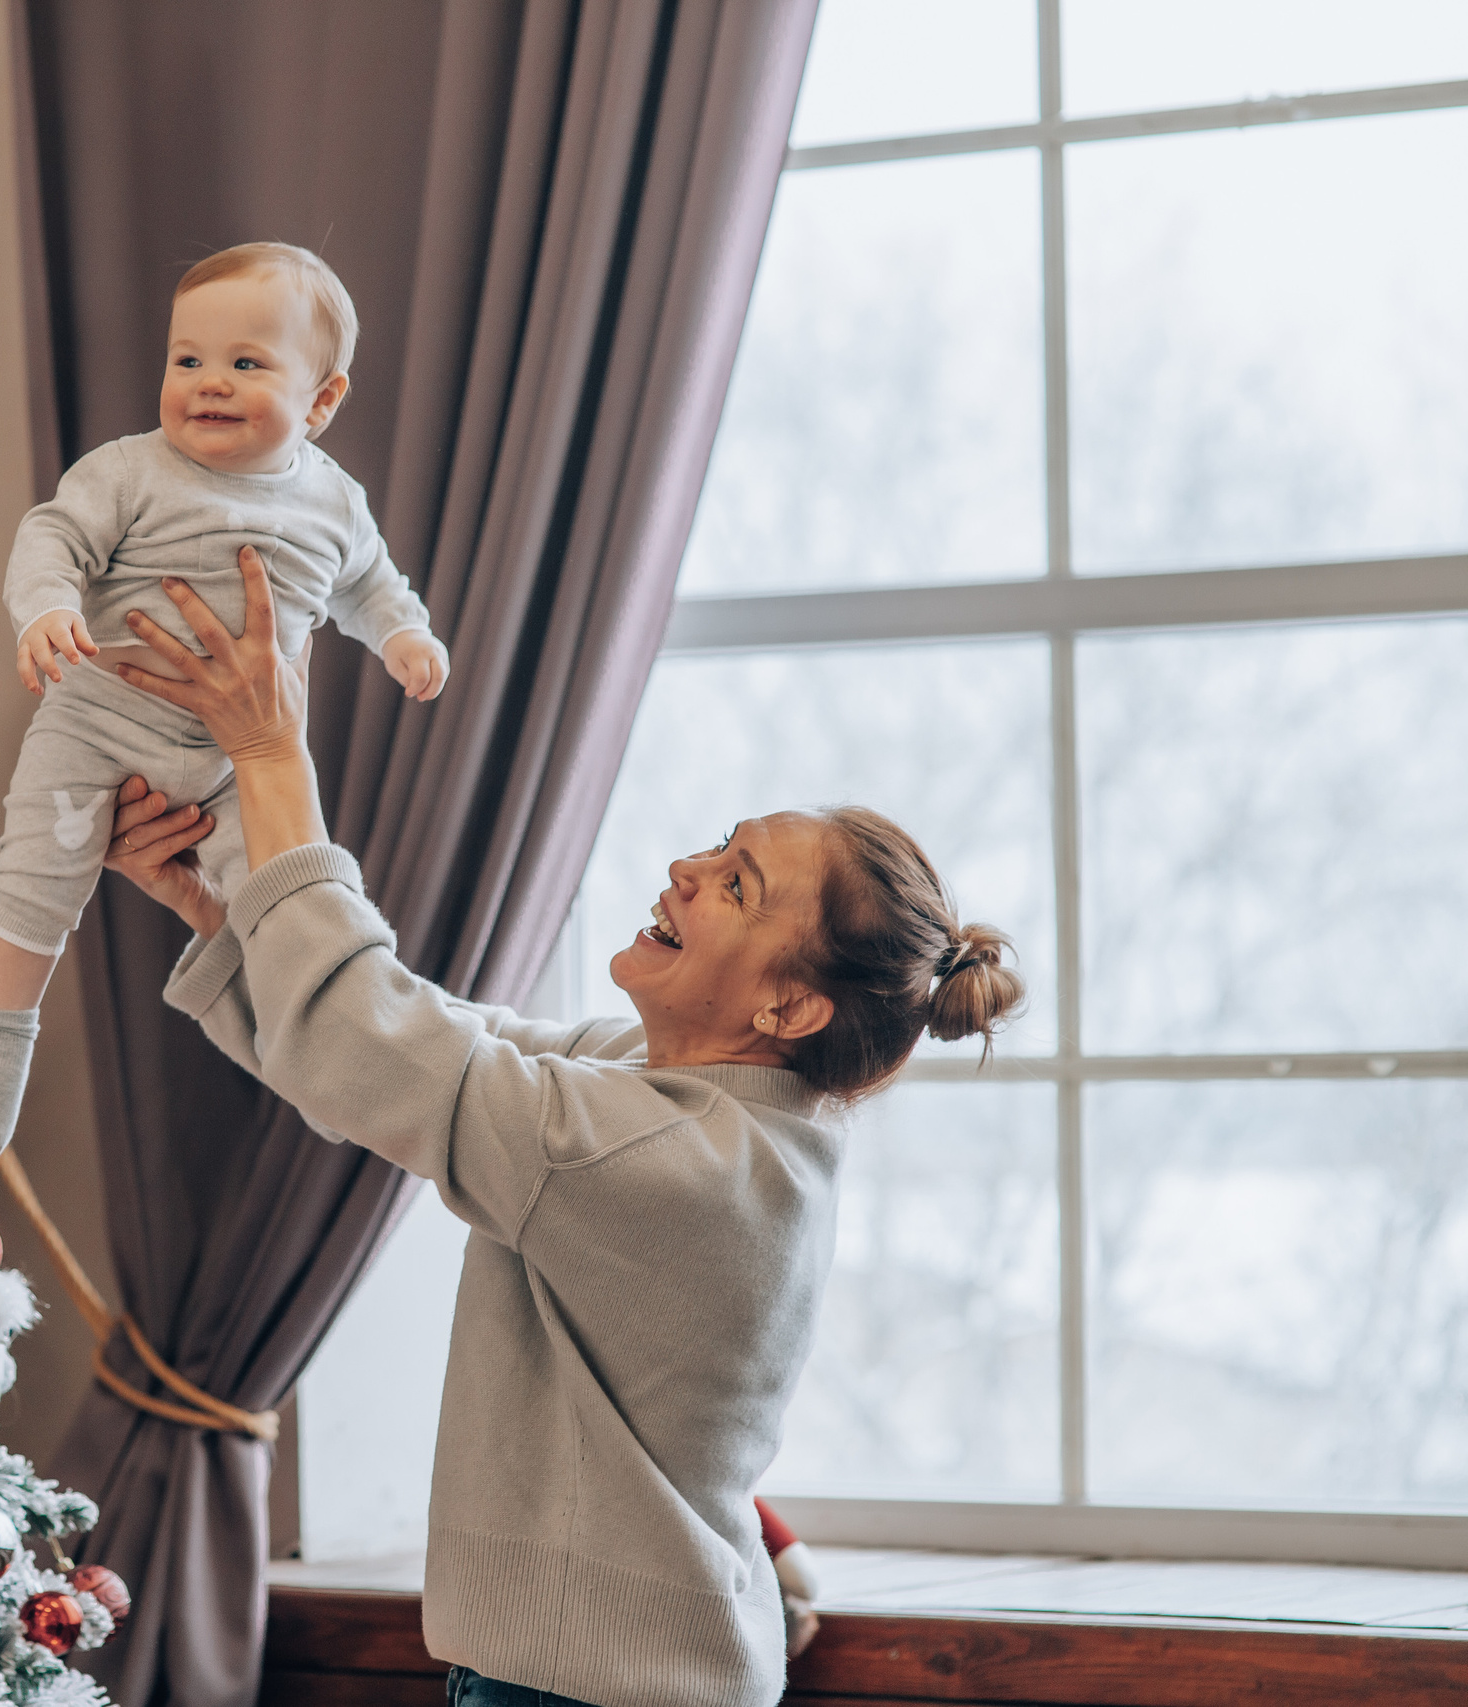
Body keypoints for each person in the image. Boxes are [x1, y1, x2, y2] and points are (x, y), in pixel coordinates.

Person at [96, 550, 1025, 1707]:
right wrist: (211, 899)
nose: (685, 867)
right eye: (717, 849)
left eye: (734, 885)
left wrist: (273, 756)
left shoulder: (660, 1156)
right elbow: (406, 1042)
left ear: (788, 1008)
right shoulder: (673, 1100)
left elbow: (378, 1046)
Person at [0, 241, 451, 1162]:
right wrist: (49, 608)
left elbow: (372, 585)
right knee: (34, 876)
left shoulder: (335, 504)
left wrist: (406, 636)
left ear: (322, 400)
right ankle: (2, 1049)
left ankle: (314, 1052)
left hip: (235, 765)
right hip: (98, 721)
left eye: (246, 364)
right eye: (188, 361)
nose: (208, 383)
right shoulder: (131, 472)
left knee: (283, 905)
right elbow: (52, 538)